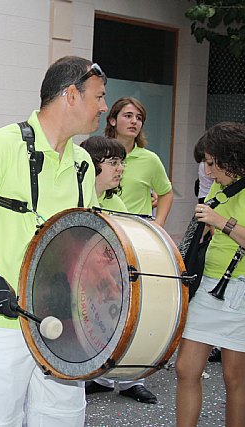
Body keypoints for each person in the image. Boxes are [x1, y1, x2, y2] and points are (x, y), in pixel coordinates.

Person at [0, 56, 106, 426]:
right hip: (3, 317)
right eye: (98, 96)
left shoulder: (83, 163)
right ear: (71, 96)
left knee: (62, 420)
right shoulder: (0, 146)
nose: (104, 107)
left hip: (65, 322)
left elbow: (87, 241)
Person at [84, 97, 173, 403]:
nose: (121, 168)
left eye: (140, 117)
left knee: (123, 318)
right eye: (114, 163)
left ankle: (130, 377)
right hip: (91, 270)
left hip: (126, 253)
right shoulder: (76, 193)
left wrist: (155, 228)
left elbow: (165, 193)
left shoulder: (119, 192)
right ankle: (99, 375)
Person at [175, 122, 245, 427]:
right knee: (185, 368)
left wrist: (221, 222)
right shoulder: (220, 185)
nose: (208, 172)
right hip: (209, 285)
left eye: (212, 163)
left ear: (233, 156)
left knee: (234, 378)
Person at [105, 97, 173, 227]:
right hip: (104, 233)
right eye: (128, 116)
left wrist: (159, 223)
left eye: (139, 118)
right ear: (112, 120)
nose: (134, 121)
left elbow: (166, 193)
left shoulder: (150, 160)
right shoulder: (98, 156)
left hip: (137, 235)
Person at [80, 135, 127, 211]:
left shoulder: (116, 204)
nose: (121, 168)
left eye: (121, 163)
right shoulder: (73, 197)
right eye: (113, 163)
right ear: (93, 164)